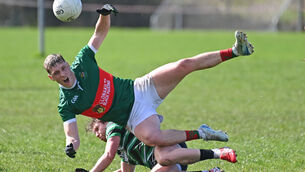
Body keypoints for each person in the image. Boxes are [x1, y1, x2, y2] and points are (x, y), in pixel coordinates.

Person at [43, 4, 254, 158]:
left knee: (183, 65)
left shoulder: (83, 62)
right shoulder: (66, 104)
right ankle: (203, 133)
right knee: (152, 138)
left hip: (139, 89)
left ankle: (235, 51)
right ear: (52, 78)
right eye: (58, 73)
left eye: (64, 67)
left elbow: (99, 34)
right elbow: (72, 136)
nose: (64, 73)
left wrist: (105, 14)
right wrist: (71, 145)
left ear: (68, 64)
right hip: (133, 116)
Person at [74, 119, 236, 172]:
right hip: (169, 164)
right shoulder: (123, 151)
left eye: (96, 128)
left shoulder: (113, 126)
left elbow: (108, 155)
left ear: (104, 122)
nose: (97, 134)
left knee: (163, 157)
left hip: (169, 148)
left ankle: (218, 152)